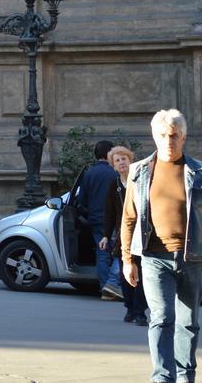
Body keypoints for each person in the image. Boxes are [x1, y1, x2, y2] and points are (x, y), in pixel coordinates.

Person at [122, 109, 202, 383]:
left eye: (174, 136)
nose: (169, 141)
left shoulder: (199, 172)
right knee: (162, 317)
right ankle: (162, 378)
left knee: (188, 322)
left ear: (184, 137)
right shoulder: (140, 171)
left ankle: (185, 376)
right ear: (154, 137)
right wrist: (127, 259)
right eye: (163, 135)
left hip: (192, 257)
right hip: (154, 257)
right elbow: (129, 217)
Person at [102, 145, 148, 326]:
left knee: (142, 274)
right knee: (125, 274)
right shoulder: (114, 185)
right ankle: (129, 307)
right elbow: (109, 213)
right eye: (117, 160)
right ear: (114, 166)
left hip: (142, 234)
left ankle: (140, 312)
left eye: (124, 159)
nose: (121, 163)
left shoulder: (140, 181)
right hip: (124, 236)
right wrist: (106, 235)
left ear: (131, 161)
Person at [77, 139, 122, 300]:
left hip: (96, 220)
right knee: (119, 254)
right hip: (116, 220)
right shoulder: (115, 172)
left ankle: (105, 288)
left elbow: (81, 199)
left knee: (102, 254)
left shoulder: (89, 173)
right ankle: (112, 284)